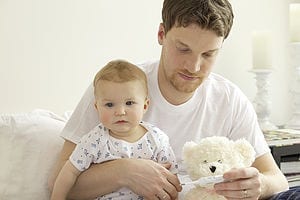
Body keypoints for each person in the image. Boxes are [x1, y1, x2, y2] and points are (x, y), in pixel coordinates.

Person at [48, 0, 295, 199]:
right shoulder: (116, 90)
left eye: (208, 54)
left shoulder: (229, 99)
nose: (194, 66)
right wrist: (123, 172)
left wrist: (259, 185)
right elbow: (57, 181)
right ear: (161, 34)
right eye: (183, 49)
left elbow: (277, 178)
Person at [50, 60, 178, 200]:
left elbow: (171, 179)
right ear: (97, 107)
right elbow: (69, 173)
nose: (120, 111)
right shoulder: (94, 140)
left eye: (129, 103)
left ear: (145, 106)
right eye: (109, 104)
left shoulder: (157, 139)